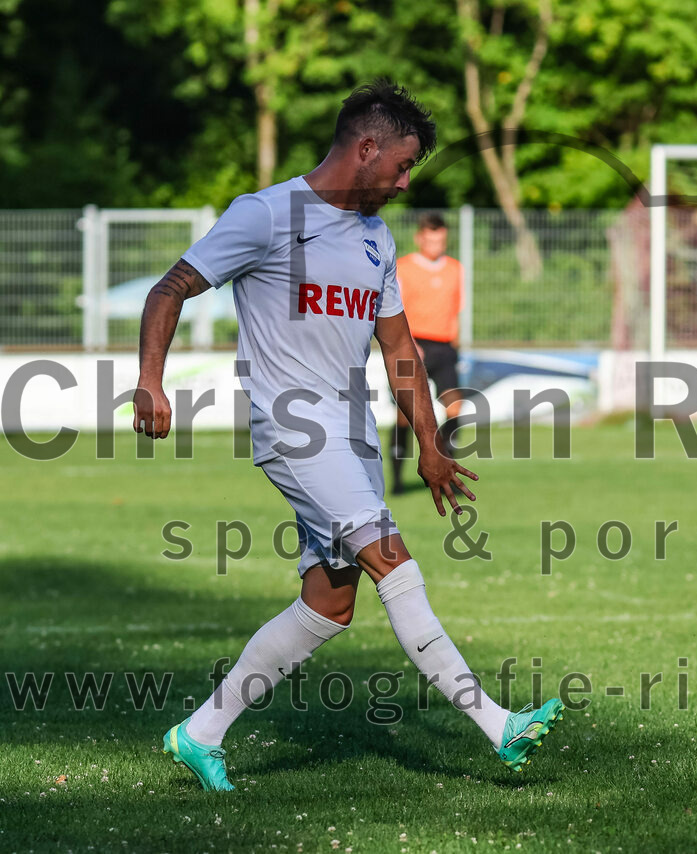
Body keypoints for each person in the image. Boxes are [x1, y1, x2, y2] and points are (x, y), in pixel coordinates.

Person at [133, 79, 564, 792]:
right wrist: (151, 381)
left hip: (353, 436)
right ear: (365, 148)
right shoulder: (267, 214)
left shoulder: (375, 236)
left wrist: (427, 442)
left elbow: (401, 351)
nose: (403, 181)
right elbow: (169, 288)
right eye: (400, 165)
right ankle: (499, 724)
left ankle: (199, 732)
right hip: (294, 431)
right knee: (391, 560)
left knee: (330, 603)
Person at [390, 213, 464, 493]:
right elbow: (394, 311)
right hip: (413, 346)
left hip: (444, 347)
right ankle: (397, 480)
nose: (436, 245)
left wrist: (456, 348)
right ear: (419, 238)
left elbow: (456, 310)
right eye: (430, 239)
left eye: (441, 240)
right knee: (404, 414)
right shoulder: (403, 268)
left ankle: (446, 470)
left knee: (455, 408)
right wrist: (408, 344)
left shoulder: (456, 269)